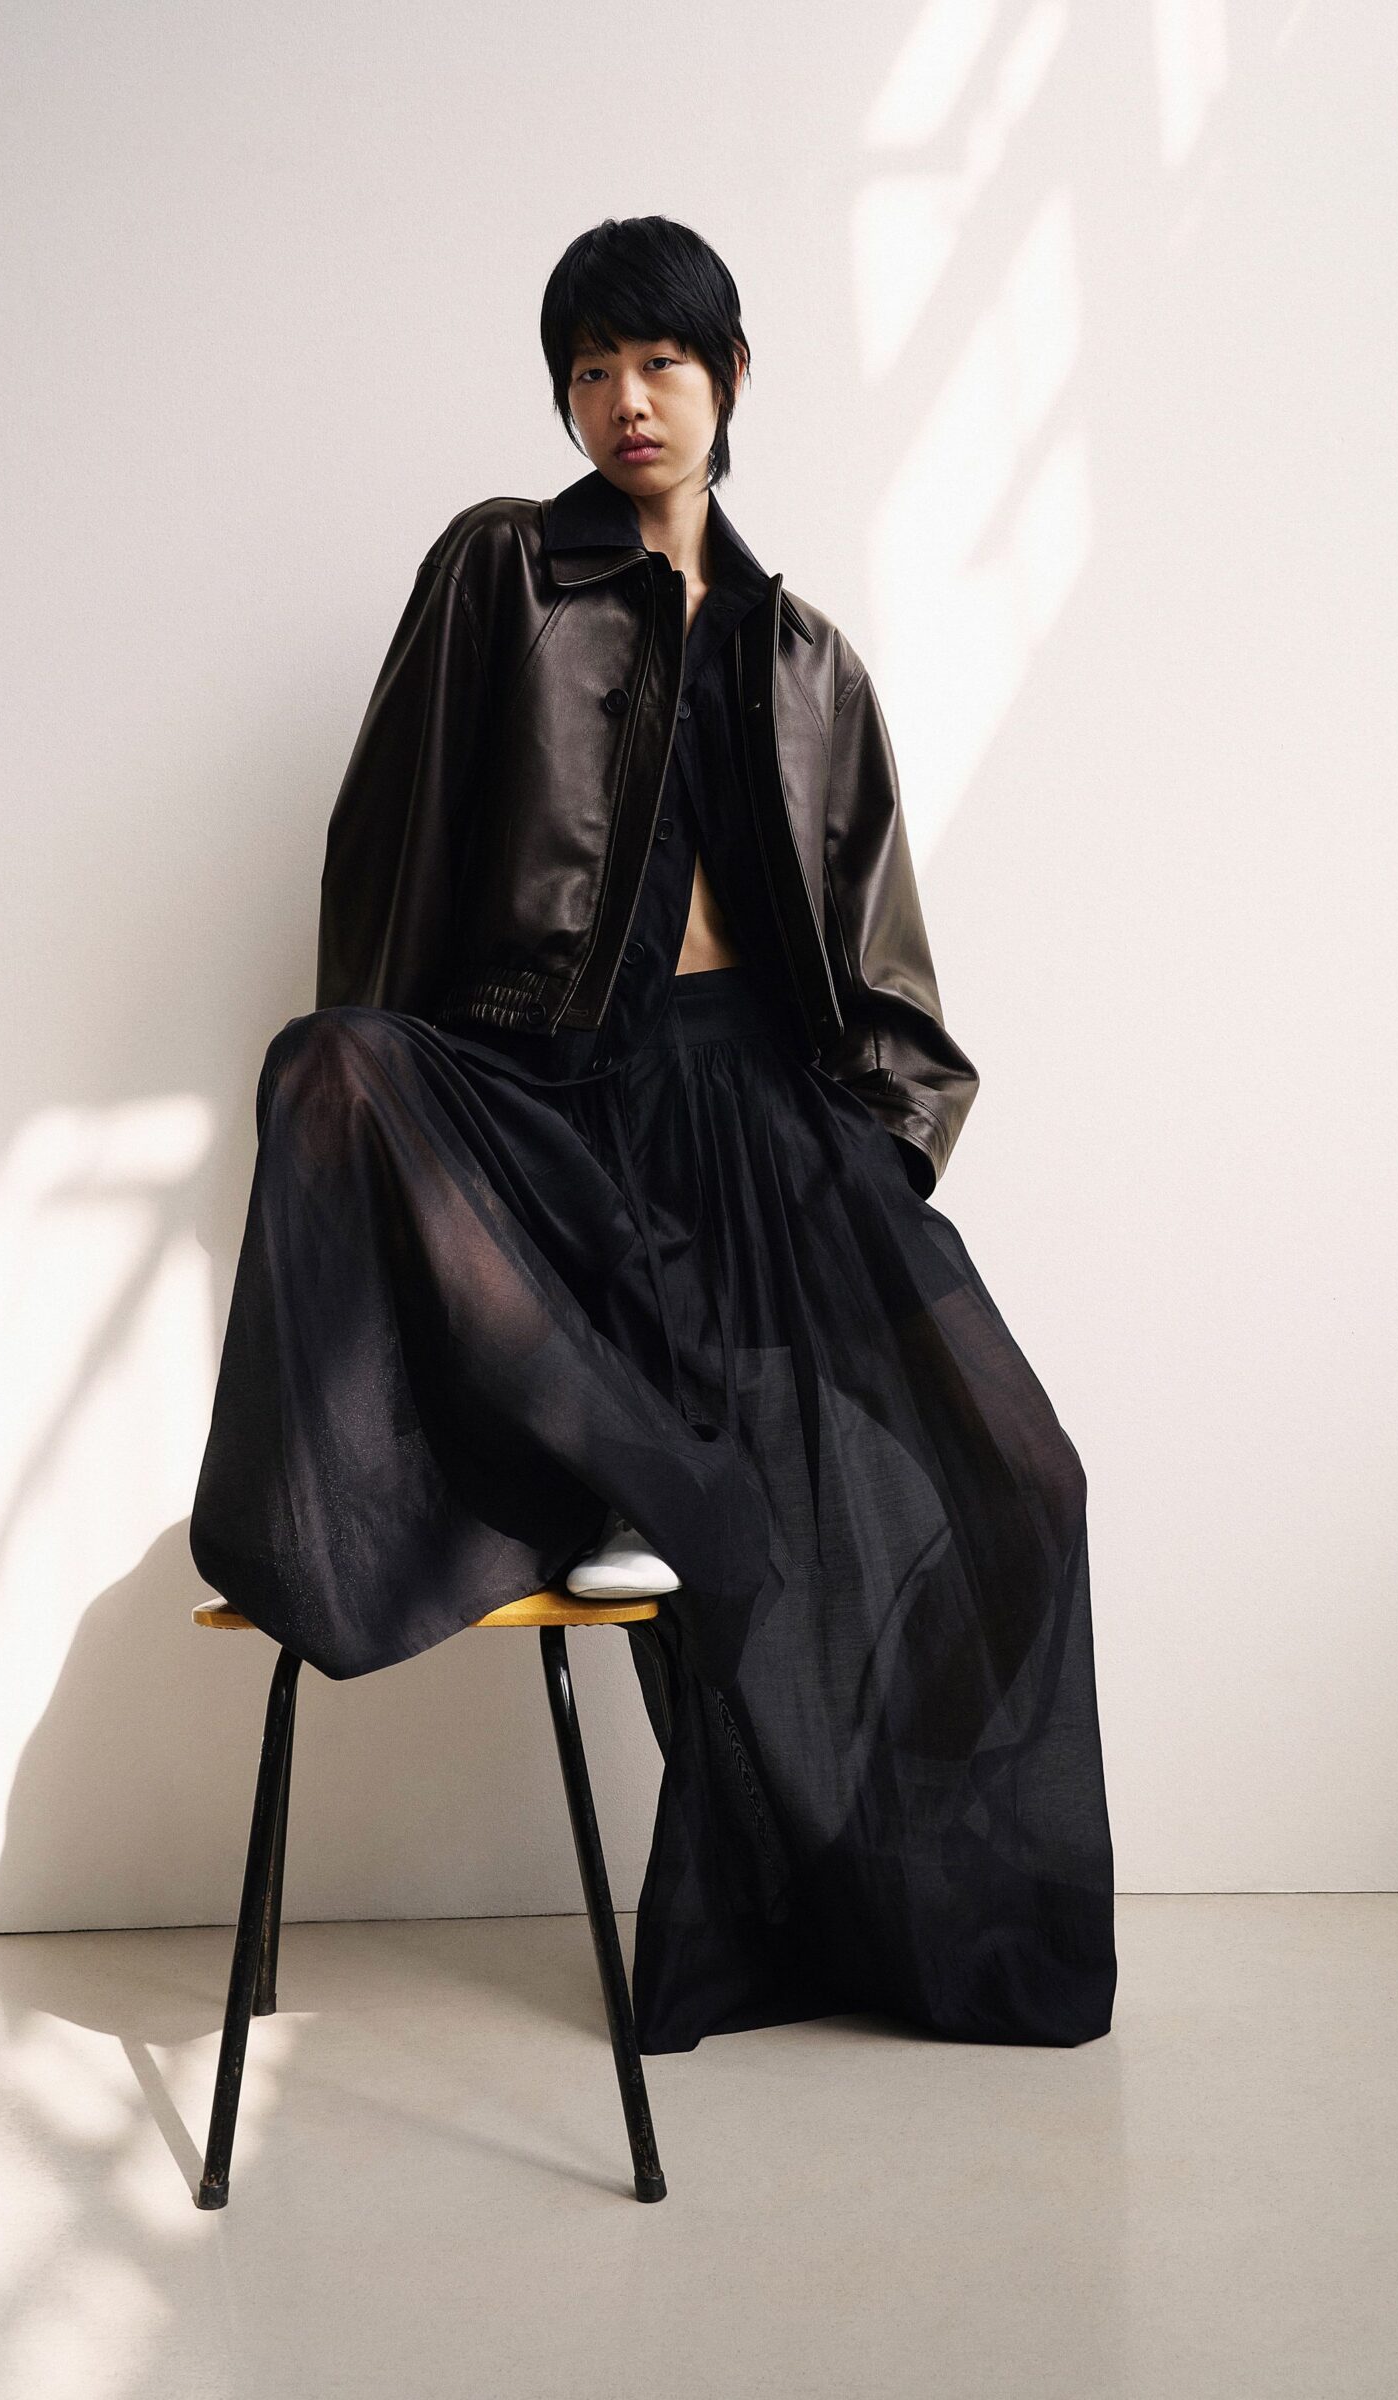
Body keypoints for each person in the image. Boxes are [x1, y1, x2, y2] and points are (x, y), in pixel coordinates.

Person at [189, 215, 1117, 2054]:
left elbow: (887, 974)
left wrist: (864, 1173)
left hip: (766, 1108)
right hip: (547, 1091)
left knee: (1025, 1481)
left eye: (661, 363)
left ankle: (895, 1896)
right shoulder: (499, 572)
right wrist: (426, 1136)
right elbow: (387, 860)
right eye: (592, 370)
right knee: (327, 1062)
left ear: (730, 377)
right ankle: (633, 1468)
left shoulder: (811, 660)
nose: (627, 400)